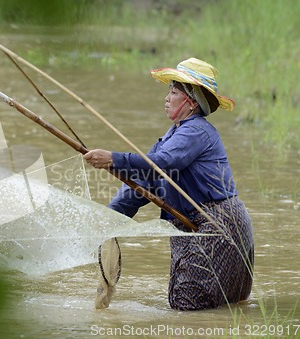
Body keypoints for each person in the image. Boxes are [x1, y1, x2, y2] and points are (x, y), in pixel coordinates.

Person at [84, 57, 254, 311]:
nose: (167, 97)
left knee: (189, 306)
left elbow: (162, 162)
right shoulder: (172, 137)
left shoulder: (197, 131)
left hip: (218, 227)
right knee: (197, 308)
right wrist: (112, 217)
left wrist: (113, 158)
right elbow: (143, 183)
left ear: (191, 101)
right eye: (169, 91)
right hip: (194, 226)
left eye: (174, 92)